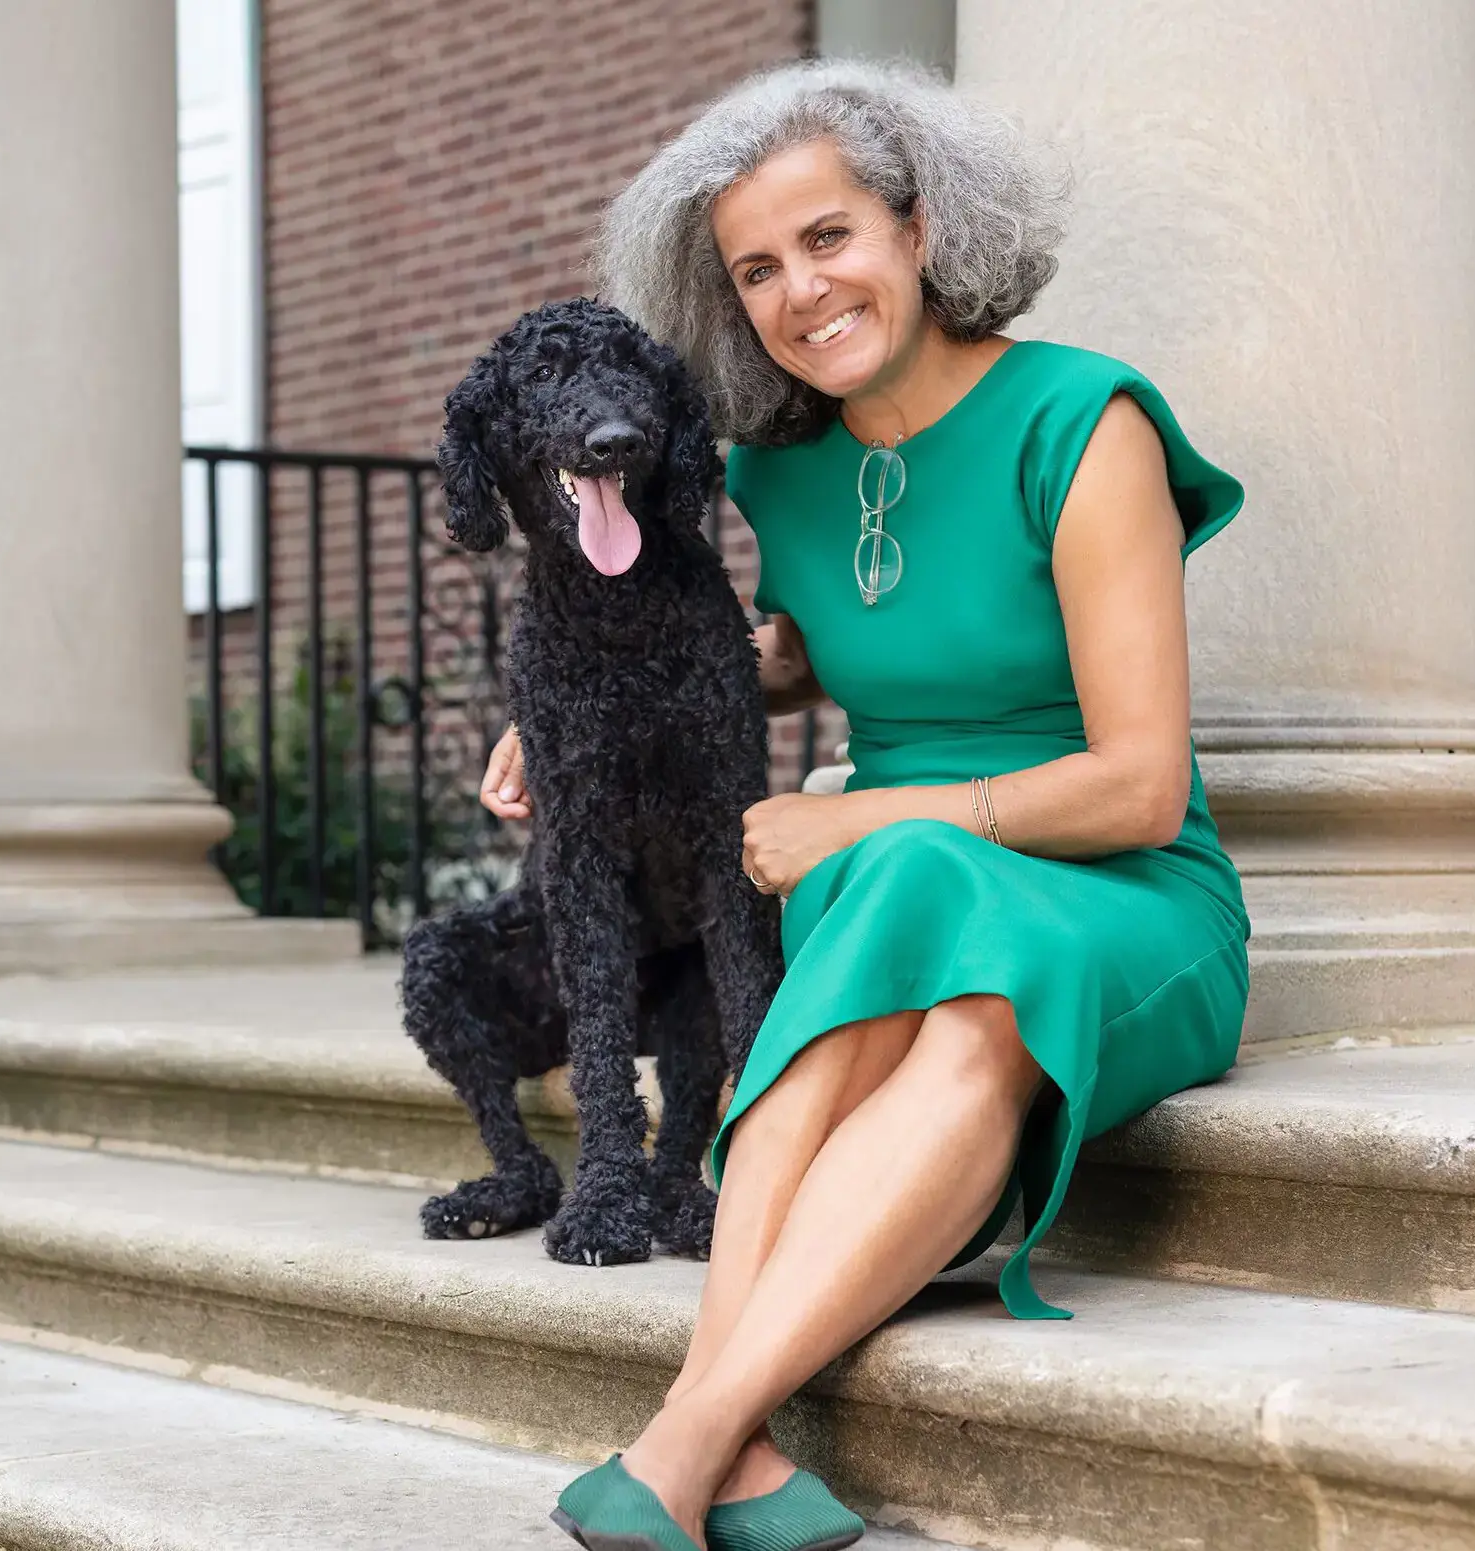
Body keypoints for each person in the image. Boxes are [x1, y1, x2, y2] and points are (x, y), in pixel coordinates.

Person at [504, 59, 1254, 1551]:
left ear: (920, 227)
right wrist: (565, 720)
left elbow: (1140, 781)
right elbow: (772, 662)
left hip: (1106, 877)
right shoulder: (773, 474)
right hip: (893, 881)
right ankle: (742, 1451)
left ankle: (694, 1431)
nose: (801, 291)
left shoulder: (1080, 423)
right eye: (758, 270)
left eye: (830, 237)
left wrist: (866, 818)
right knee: (901, 903)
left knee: (944, 940)